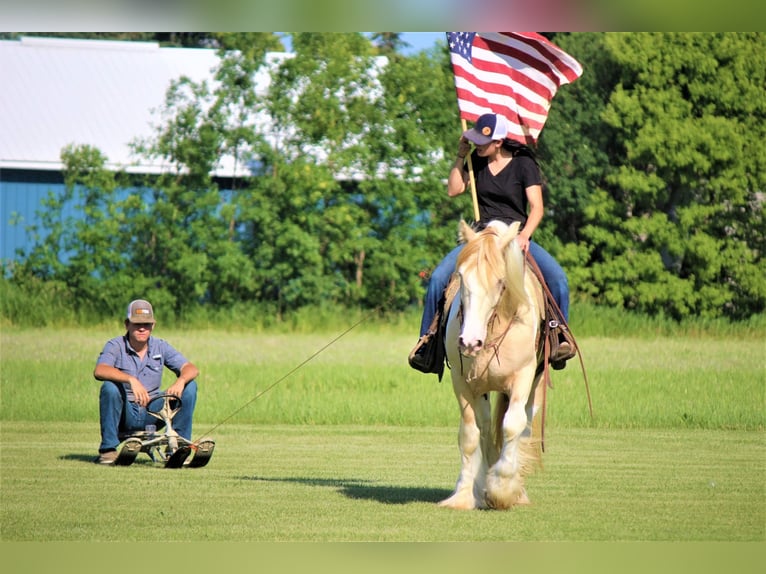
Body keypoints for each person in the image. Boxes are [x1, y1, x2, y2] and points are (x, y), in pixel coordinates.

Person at [412, 113, 575, 371]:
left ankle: (559, 336)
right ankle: (428, 342)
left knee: (557, 279)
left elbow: (537, 208)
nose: (477, 145)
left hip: (514, 237)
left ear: (498, 142)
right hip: (481, 237)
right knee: (437, 278)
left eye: (482, 141)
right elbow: (454, 190)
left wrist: (523, 236)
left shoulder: (523, 165)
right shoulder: (474, 160)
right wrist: (460, 155)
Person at [94, 299, 199, 465]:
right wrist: (131, 380)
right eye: (137, 324)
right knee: (109, 388)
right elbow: (100, 370)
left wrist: (180, 381)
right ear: (127, 324)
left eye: (146, 324)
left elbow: (191, 368)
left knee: (190, 385)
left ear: (153, 325)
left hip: (153, 412)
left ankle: (179, 447)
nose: (142, 328)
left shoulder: (160, 346)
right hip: (125, 413)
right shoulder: (115, 346)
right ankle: (108, 450)